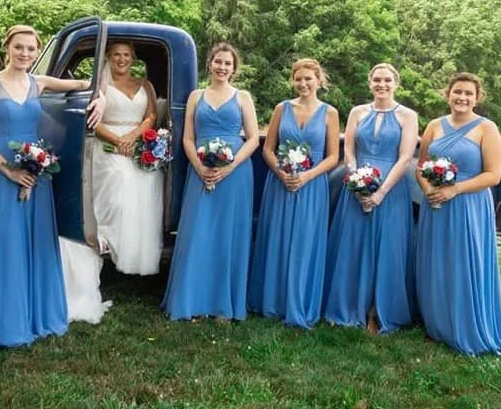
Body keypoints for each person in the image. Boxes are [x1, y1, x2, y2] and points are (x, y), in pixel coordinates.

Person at [0, 24, 104, 349]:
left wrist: (102, 99)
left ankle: (31, 312)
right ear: (7, 47)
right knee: (3, 243)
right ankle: (1, 319)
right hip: (1, 171)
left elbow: (88, 84)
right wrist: (9, 172)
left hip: (35, 169)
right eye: (19, 47)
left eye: (31, 48)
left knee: (31, 242)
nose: (25, 53)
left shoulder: (38, 82)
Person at [415, 72, 501, 355]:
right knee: (436, 262)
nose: (462, 97)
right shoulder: (434, 125)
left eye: (468, 94)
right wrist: (428, 189)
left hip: (468, 205)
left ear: (477, 98)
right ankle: (437, 324)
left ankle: (464, 324)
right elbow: (420, 165)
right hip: (435, 205)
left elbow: (493, 175)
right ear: (447, 94)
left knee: (463, 262)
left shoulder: (487, 128)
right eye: (457, 92)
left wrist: (454, 190)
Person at [162, 43, 260, 321]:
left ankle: (223, 305)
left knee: (228, 235)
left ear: (234, 69)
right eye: (218, 62)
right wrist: (199, 166)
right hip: (200, 170)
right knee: (198, 233)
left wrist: (228, 167)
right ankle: (191, 301)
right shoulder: (196, 96)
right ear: (210, 64)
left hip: (235, 174)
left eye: (228, 64)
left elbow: (252, 138)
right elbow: (188, 138)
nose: (222, 67)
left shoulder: (243, 97)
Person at [324, 63, 418, 334]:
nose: (382, 85)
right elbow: (349, 150)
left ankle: (378, 311)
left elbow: (404, 158)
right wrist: (357, 181)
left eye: (387, 80)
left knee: (385, 248)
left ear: (396, 83)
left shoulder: (407, 115)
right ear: (370, 83)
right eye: (377, 80)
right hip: (356, 189)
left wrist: (379, 193)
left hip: (391, 190)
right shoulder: (357, 112)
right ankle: (347, 305)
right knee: (352, 245)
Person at [247, 59, 340, 328]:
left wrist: (307, 176)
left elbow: (333, 156)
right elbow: (267, 148)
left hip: (312, 187)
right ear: (293, 80)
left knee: (304, 243)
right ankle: (272, 302)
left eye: (308, 79)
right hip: (280, 184)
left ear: (319, 81)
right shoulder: (282, 108)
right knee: (277, 239)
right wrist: (282, 173)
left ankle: (298, 302)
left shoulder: (329, 113)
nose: (303, 84)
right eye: (298, 79)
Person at [89, 39, 164, 275]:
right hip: (107, 143)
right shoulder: (100, 86)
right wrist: (117, 140)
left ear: (133, 58)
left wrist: (132, 136)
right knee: (119, 177)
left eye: (126, 55)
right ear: (108, 58)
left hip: (138, 142)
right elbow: (93, 121)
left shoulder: (145, 85)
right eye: (116, 55)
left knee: (150, 179)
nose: (121, 60)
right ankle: (109, 243)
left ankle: (137, 254)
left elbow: (151, 116)